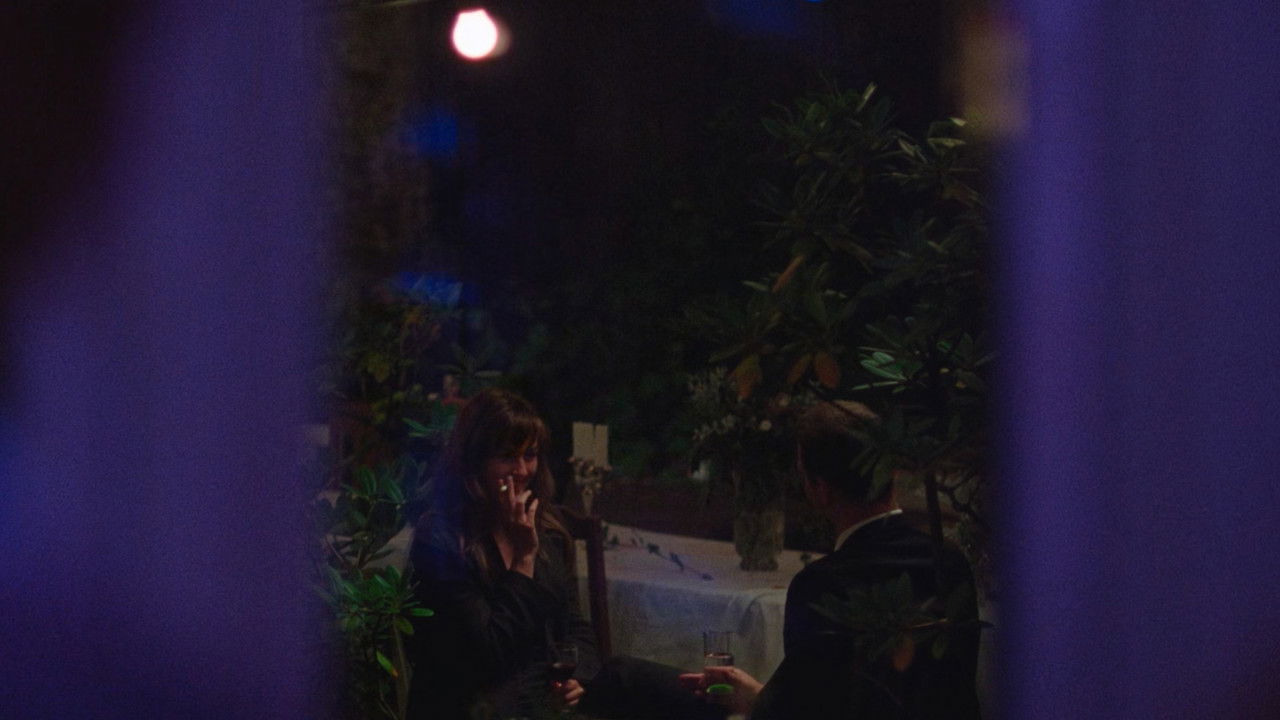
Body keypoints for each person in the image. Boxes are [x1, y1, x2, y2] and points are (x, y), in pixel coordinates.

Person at [406, 387, 724, 719]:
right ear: (474, 463)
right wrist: (523, 560)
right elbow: (489, 652)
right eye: (507, 456)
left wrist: (578, 678)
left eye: (530, 455)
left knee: (640, 679)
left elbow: (575, 625)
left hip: (547, 695)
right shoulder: (441, 539)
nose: (522, 470)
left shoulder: (547, 529)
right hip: (484, 705)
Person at [680, 400, 983, 719]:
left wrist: (757, 703)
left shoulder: (822, 585)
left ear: (820, 490)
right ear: (892, 474)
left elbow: (806, 712)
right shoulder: (950, 562)